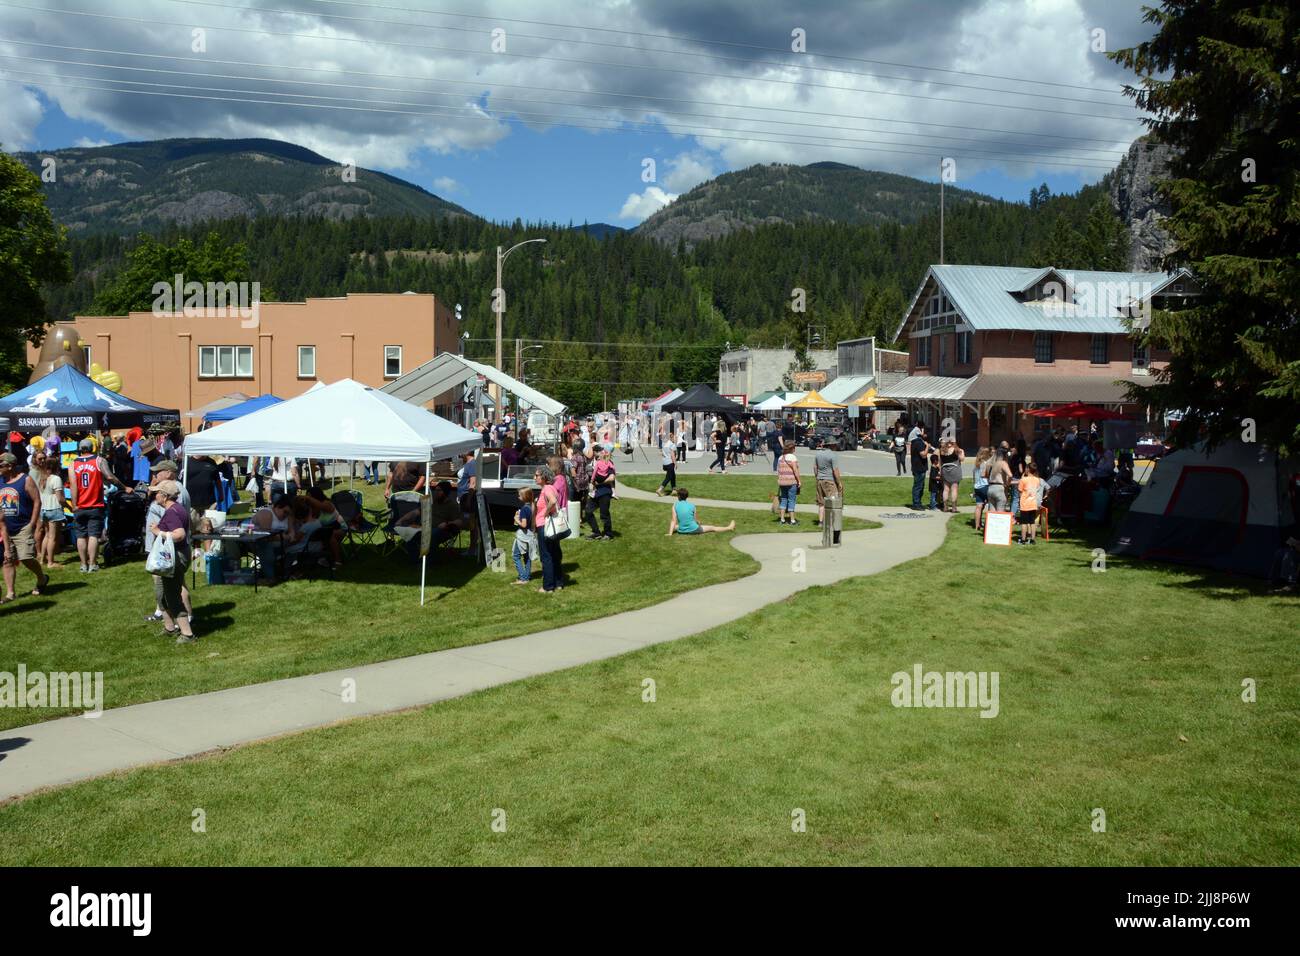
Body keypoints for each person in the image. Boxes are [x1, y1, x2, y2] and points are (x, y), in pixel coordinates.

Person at [144, 461, 193, 623]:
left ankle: (184, 625)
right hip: (175, 548)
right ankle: (174, 623)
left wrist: (159, 532)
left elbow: (178, 532)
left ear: (169, 473)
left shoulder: (171, 508)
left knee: (171, 590)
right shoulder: (181, 492)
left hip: (168, 550)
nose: (155, 476)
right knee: (177, 585)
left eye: (158, 472)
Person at [1, 452, 47, 601]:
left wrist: (32, 524)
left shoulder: (25, 480)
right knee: (7, 559)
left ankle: (42, 578)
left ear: (10, 466)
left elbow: (37, 501)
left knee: (26, 557)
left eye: (0, 465)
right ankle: (10, 593)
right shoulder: (1, 480)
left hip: (23, 526)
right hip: (5, 528)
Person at [71, 438, 120, 573]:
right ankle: (92, 564)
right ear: (92, 447)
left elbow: (73, 485)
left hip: (79, 506)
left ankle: (83, 564)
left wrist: (75, 504)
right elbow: (110, 477)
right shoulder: (99, 460)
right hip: (95, 504)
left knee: (81, 536)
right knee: (93, 535)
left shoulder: (73, 464)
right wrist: (123, 486)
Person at [533, 465, 565, 593]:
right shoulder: (550, 488)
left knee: (546, 556)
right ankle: (558, 583)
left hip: (545, 527)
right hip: (550, 527)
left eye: (537, 475)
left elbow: (552, 500)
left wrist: (545, 512)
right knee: (554, 555)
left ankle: (548, 586)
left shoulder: (546, 488)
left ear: (544, 477)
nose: (534, 477)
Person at [34, 453, 65, 570]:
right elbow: (60, 498)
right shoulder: (56, 479)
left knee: (47, 535)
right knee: (52, 537)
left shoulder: (41, 478)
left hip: (44, 509)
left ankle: (42, 559)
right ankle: (50, 562)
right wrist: (69, 506)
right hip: (53, 509)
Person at [666, 488, 735, 535]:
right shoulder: (692, 505)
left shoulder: (675, 505)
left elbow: (673, 520)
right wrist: (699, 523)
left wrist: (670, 533)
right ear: (687, 496)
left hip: (681, 530)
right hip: (693, 529)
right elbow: (696, 520)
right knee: (712, 528)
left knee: (676, 526)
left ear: (678, 496)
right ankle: (729, 528)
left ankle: (679, 529)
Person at [584, 448, 616, 540]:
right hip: (596, 492)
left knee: (604, 514)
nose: (598, 454)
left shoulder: (609, 464)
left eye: (600, 453)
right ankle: (596, 532)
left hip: (605, 492)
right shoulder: (598, 463)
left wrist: (600, 483)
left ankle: (608, 534)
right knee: (588, 511)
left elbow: (612, 478)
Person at [813, 441, 843, 526]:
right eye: (835, 445)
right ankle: (830, 521)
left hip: (820, 480)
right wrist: (839, 482)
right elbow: (835, 471)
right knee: (832, 501)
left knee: (821, 502)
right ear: (832, 445)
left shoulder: (818, 454)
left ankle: (820, 522)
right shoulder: (833, 455)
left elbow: (815, 467)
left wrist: (817, 476)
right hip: (829, 481)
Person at [512, 487, 536, 585]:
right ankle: (526, 576)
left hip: (523, 535)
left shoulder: (524, 509)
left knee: (516, 556)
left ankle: (523, 578)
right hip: (530, 535)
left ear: (524, 497)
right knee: (527, 556)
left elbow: (524, 525)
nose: (518, 497)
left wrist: (516, 519)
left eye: (519, 495)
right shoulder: (532, 506)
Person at [1016, 462, 1043, 545]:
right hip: (1033, 503)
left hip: (1025, 504)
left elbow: (1020, 491)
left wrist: (1022, 477)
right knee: (1032, 522)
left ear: (1028, 469)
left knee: (1024, 523)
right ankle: (1032, 540)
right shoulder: (1037, 480)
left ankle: (1023, 540)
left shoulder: (1023, 480)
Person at [776, 440, 801, 524]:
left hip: (782, 482)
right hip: (791, 482)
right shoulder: (792, 457)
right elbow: (795, 470)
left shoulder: (780, 457)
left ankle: (782, 519)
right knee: (791, 500)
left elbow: (778, 470)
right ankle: (792, 520)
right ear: (792, 448)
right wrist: (799, 481)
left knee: (783, 499)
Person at [939, 439, 965, 513]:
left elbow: (940, 461)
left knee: (946, 489)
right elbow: (962, 459)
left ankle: (945, 507)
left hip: (945, 470)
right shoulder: (957, 450)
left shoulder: (942, 450)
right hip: (955, 470)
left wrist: (940, 471)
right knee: (954, 489)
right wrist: (961, 452)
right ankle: (954, 508)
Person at [909, 424, 930, 510]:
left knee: (920, 486)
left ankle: (918, 503)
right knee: (918, 486)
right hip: (919, 468)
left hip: (917, 467)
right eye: (923, 431)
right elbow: (923, 455)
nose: (925, 434)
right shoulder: (919, 443)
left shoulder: (914, 442)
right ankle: (916, 504)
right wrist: (927, 447)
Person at [971, 447, 992, 532]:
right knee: (991, 505)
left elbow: (974, 477)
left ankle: (977, 525)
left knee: (979, 506)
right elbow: (984, 475)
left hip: (977, 487)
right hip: (985, 486)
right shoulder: (986, 464)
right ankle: (990, 524)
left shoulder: (976, 464)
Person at [986, 447, 1012, 516]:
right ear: (1005, 455)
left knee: (992, 514)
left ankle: (991, 526)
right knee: (1000, 514)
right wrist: (1007, 484)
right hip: (999, 489)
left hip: (990, 488)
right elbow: (1010, 475)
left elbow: (986, 475)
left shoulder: (992, 464)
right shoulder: (1003, 463)